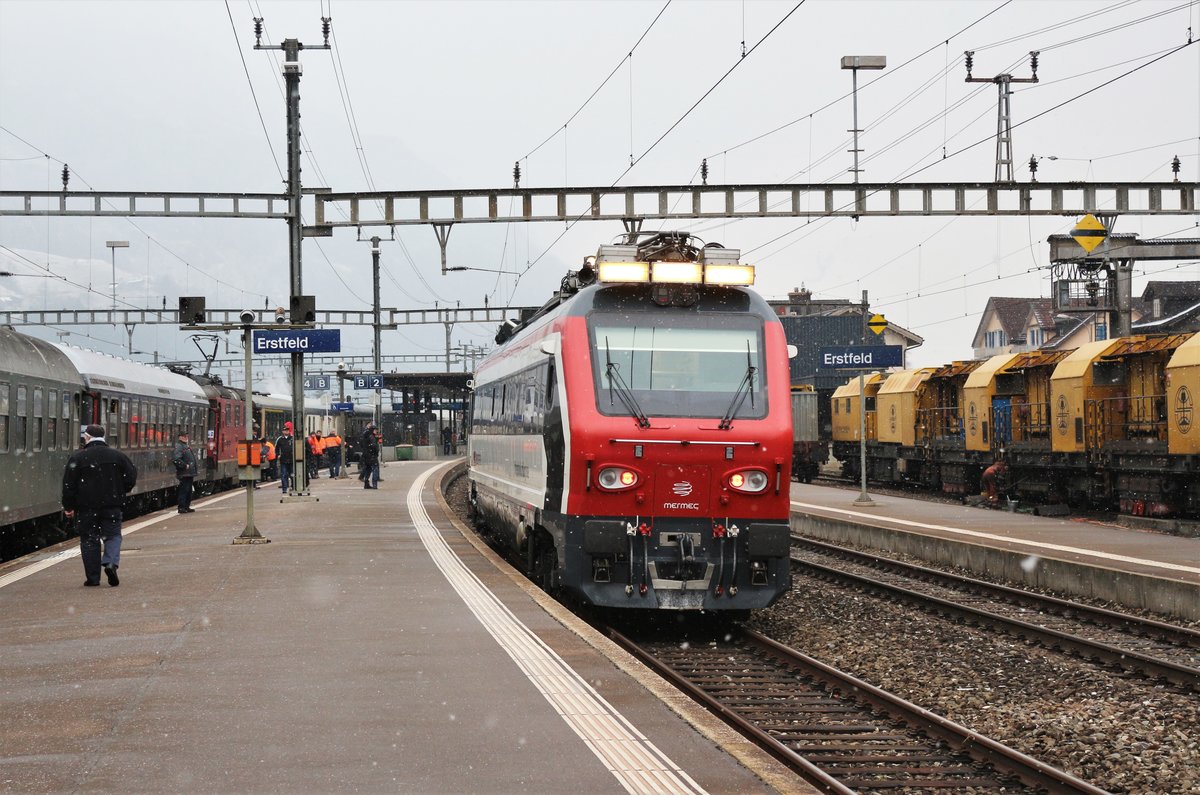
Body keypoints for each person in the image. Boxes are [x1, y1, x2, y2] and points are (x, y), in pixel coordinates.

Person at [62, 424, 138, 587]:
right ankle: (111, 563)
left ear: (87, 437)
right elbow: (131, 477)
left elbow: (69, 485)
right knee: (113, 536)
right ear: (103, 437)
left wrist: (68, 507)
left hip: (86, 507)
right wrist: (120, 490)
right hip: (112, 505)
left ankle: (93, 578)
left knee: (89, 539)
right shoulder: (118, 456)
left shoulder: (78, 458)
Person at [172, 430, 198, 513]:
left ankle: (186, 506)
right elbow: (176, 459)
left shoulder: (185, 446)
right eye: (184, 436)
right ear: (180, 437)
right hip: (184, 473)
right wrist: (184, 465)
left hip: (188, 473)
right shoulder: (179, 446)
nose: (186, 438)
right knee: (184, 490)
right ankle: (182, 507)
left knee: (188, 490)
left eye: (187, 436)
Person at [276, 422, 295, 493]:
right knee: (284, 474)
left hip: (291, 459)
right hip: (283, 460)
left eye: (287, 430)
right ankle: (285, 488)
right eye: (285, 430)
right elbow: (276, 448)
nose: (286, 431)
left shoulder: (292, 439)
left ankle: (293, 486)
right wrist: (278, 454)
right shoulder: (280, 439)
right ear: (282, 431)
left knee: (292, 474)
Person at [359, 423, 379, 489]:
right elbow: (374, 446)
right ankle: (375, 484)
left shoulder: (365, 436)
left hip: (366, 456)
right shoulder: (372, 437)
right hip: (372, 455)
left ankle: (366, 483)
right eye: (375, 430)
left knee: (368, 469)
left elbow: (361, 445)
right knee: (375, 469)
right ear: (372, 430)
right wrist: (376, 452)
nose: (376, 431)